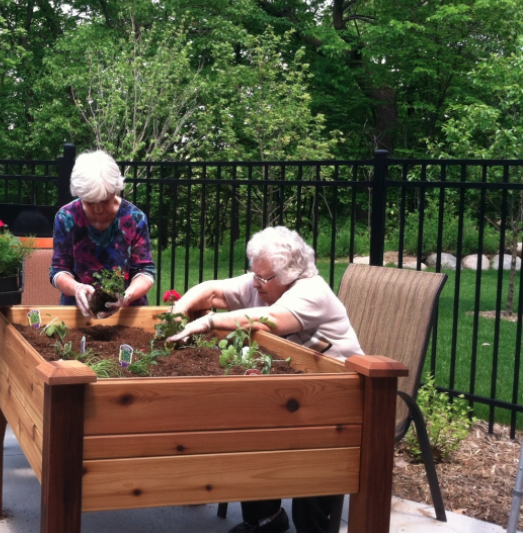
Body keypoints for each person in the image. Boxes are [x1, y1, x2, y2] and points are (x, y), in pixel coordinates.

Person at [166, 226, 364, 533]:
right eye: (254, 274)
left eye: (264, 278)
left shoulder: (311, 291)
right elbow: (212, 290)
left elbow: (270, 320)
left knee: (312, 453)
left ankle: (315, 527)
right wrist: (179, 311)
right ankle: (265, 520)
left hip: (341, 398)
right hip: (294, 394)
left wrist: (207, 322)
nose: (255, 282)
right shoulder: (263, 283)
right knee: (247, 417)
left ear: (290, 274)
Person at [49, 150, 155, 316]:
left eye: (105, 200)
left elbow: (145, 271)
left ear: (116, 190)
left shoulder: (134, 218)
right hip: (79, 312)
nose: (98, 209)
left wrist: (126, 296)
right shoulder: (66, 217)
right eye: (90, 202)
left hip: (126, 315)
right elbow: (59, 271)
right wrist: (77, 287)